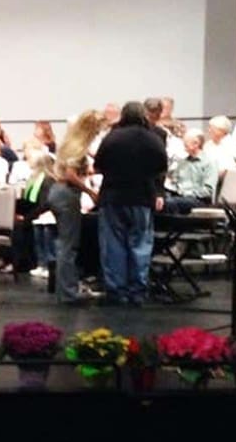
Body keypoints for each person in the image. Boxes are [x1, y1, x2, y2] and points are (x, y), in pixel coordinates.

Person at [93, 100, 169, 306]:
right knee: (140, 245)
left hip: (113, 197)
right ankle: (138, 290)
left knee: (114, 245)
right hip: (142, 197)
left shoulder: (112, 138)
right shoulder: (153, 138)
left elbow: (98, 165)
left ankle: (117, 290)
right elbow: (162, 166)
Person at [47, 109, 101, 304]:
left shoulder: (69, 143)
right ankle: (68, 292)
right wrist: (91, 192)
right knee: (68, 245)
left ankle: (67, 288)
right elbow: (70, 174)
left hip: (58, 192)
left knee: (65, 243)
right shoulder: (77, 146)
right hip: (66, 194)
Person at [162, 130, 218, 213]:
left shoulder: (209, 163)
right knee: (158, 200)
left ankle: (174, 225)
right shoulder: (182, 162)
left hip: (198, 199)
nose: (184, 144)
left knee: (170, 203)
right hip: (178, 196)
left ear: (196, 144)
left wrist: (186, 193)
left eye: (186, 142)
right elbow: (174, 181)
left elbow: (208, 190)